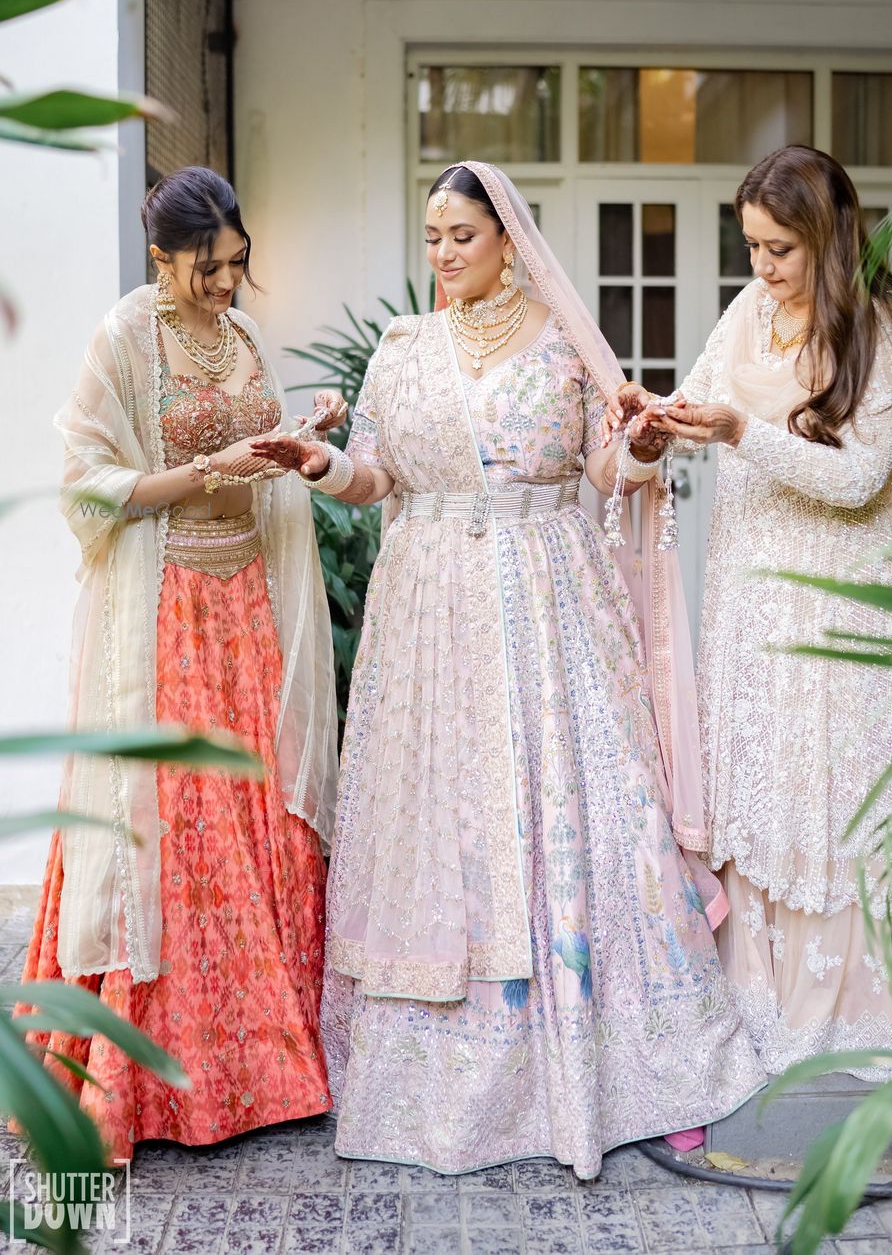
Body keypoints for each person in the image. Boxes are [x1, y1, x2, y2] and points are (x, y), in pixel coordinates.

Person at [251, 161, 764, 1179]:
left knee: (567, 814)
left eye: (461, 237)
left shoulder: (564, 348)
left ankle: (620, 1058)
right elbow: (375, 476)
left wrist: (646, 445)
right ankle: (432, 1078)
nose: (441, 255)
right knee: (441, 820)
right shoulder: (404, 350)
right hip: (428, 616)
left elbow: (604, 472)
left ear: (508, 240)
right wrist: (319, 469)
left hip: (546, 607)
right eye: (431, 236)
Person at [608, 145, 892, 1079]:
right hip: (749, 590)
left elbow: (857, 479)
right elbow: (700, 399)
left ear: (830, 238)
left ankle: (847, 1003)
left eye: (780, 250)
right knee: (757, 779)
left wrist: (740, 433)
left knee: (829, 786)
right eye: (752, 245)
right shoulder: (748, 313)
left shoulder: (883, 333)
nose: (762, 267)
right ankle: (755, 987)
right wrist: (656, 418)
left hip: (841, 599)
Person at [20, 166, 339, 1159]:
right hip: (164, 615)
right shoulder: (124, 338)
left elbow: (260, 456)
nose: (227, 287)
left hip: (245, 608)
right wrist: (210, 470)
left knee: (258, 826)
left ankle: (267, 1071)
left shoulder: (240, 341)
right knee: (176, 836)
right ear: (162, 257)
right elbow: (88, 487)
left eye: (238, 265)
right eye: (208, 268)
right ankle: (148, 1089)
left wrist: (297, 438)